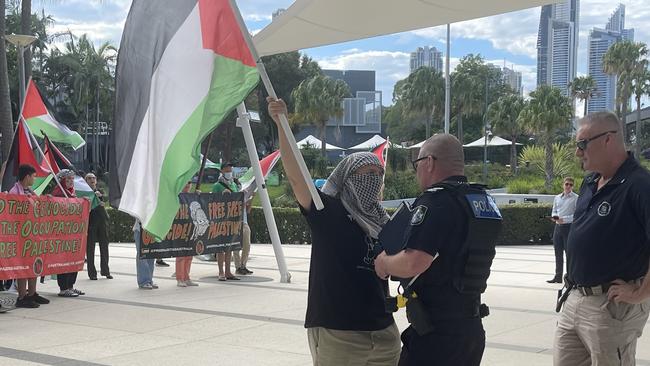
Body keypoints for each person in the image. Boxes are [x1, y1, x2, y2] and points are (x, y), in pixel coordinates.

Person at [268, 98, 400, 366]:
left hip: (384, 331)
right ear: (347, 176)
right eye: (367, 173)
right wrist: (282, 123)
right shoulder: (325, 210)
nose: (373, 179)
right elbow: (296, 176)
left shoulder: (384, 221)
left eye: (378, 173)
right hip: (338, 331)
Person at [374, 134, 502, 366]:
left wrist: (384, 263)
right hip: (470, 329)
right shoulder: (482, 201)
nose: (417, 171)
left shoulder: (436, 202)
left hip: (437, 334)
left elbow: (415, 262)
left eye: (417, 164)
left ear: (429, 162)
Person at [554, 111, 650, 365]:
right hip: (574, 297)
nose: (578, 152)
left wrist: (641, 293)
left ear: (608, 139)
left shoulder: (640, 185)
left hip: (610, 306)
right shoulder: (590, 183)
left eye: (582, 144)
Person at [9, 164, 50, 308]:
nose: (35, 178)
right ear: (27, 176)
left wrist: (47, 200)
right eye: (33, 176)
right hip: (21, 235)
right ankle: (22, 296)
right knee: (23, 265)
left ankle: (32, 293)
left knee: (34, 263)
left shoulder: (30, 191)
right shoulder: (15, 192)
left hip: (33, 234)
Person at [51, 170, 84, 298]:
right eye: (68, 179)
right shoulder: (58, 193)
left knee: (73, 260)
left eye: (72, 179)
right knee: (63, 261)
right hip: (62, 235)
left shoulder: (72, 194)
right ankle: (63, 287)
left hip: (73, 235)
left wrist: (82, 202)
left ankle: (70, 285)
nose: (71, 181)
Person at [211, 163, 241, 281]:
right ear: (222, 171)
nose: (229, 172)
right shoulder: (217, 186)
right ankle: (221, 272)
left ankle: (228, 271)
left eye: (230, 170)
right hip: (220, 221)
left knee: (229, 247)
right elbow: (212, 201)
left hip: (232, 221)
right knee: (220, 248)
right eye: (227, 170)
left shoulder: (234, 184)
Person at [547, 177, 578, 283]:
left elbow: (577, 215)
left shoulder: (576, 198)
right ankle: (558, 276)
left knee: (569, 253)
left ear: (573, 186)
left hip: (568, 227)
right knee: (558, 252)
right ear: (563, 185)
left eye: (570, 184)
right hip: (557, 227)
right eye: (566, 184)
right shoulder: (557, 198)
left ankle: (570, 277)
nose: (568, 186)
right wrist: (554, 217)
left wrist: (564, 219)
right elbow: (554, 210)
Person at [84, 173, 112, 280]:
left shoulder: (99, 191)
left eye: (93, 178)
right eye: (89, 178)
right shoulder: (85, 193)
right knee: (90, 249)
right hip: (90, 223)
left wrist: (100, 198)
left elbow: (105, 200)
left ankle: (106, 271)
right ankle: (92, 273)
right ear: (86, 181)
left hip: (102, 221)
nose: (92, 180)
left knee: (104, 247)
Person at [176, 182, 199, 287]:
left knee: (189, 255)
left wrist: (198, 197)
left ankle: (186, 276)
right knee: (181, 255)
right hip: (180, 229)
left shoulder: (191, 196)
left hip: (191, 229)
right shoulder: (177, 196)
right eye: (185, 184)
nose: (188, 186)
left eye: (189, 184)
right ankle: (180, 278)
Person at [133, 219, 158, 290]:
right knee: (142, 255)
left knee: (150, 255)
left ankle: (149, 280)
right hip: (140, 230)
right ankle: (143, 281)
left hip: (151, 230)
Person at [234, 191, 253, 275]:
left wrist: (251, 201)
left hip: (245, 223)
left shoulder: (245, 197)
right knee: (236, 247)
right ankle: (238, 267)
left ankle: (243, 265)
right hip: (236, 223)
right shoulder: (235, 197)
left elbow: (248, 211)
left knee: (247, 245)